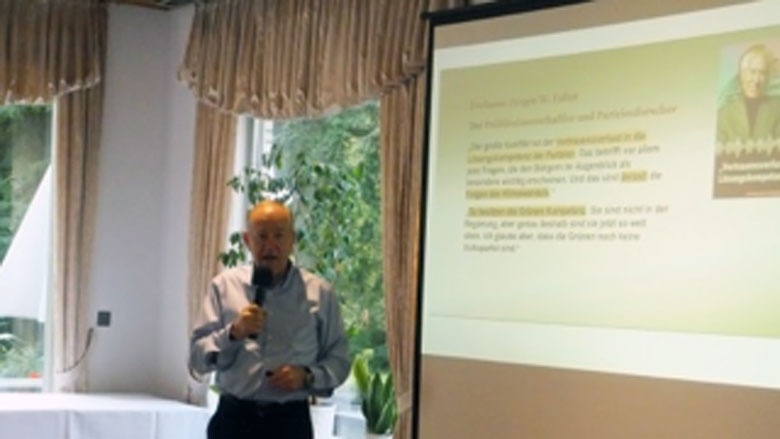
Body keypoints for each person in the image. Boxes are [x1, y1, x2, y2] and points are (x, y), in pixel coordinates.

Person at [189, 200, 350, 439]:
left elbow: (339, 360)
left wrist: (307, 375)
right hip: (234, 420)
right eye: (262, 236)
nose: (270, 245)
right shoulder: (223, 287)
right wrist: (233, 333)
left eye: (279, 235)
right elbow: (196, 359)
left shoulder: (320, 293)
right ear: (247, 240)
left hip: (289, 423)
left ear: (292, 239)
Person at [717, 43, 780, 145]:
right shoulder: (723, 114)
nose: (756, 80)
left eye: (762, 73)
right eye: (752, 72)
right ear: (741, 75)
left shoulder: (777, 108)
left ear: (768, 78)